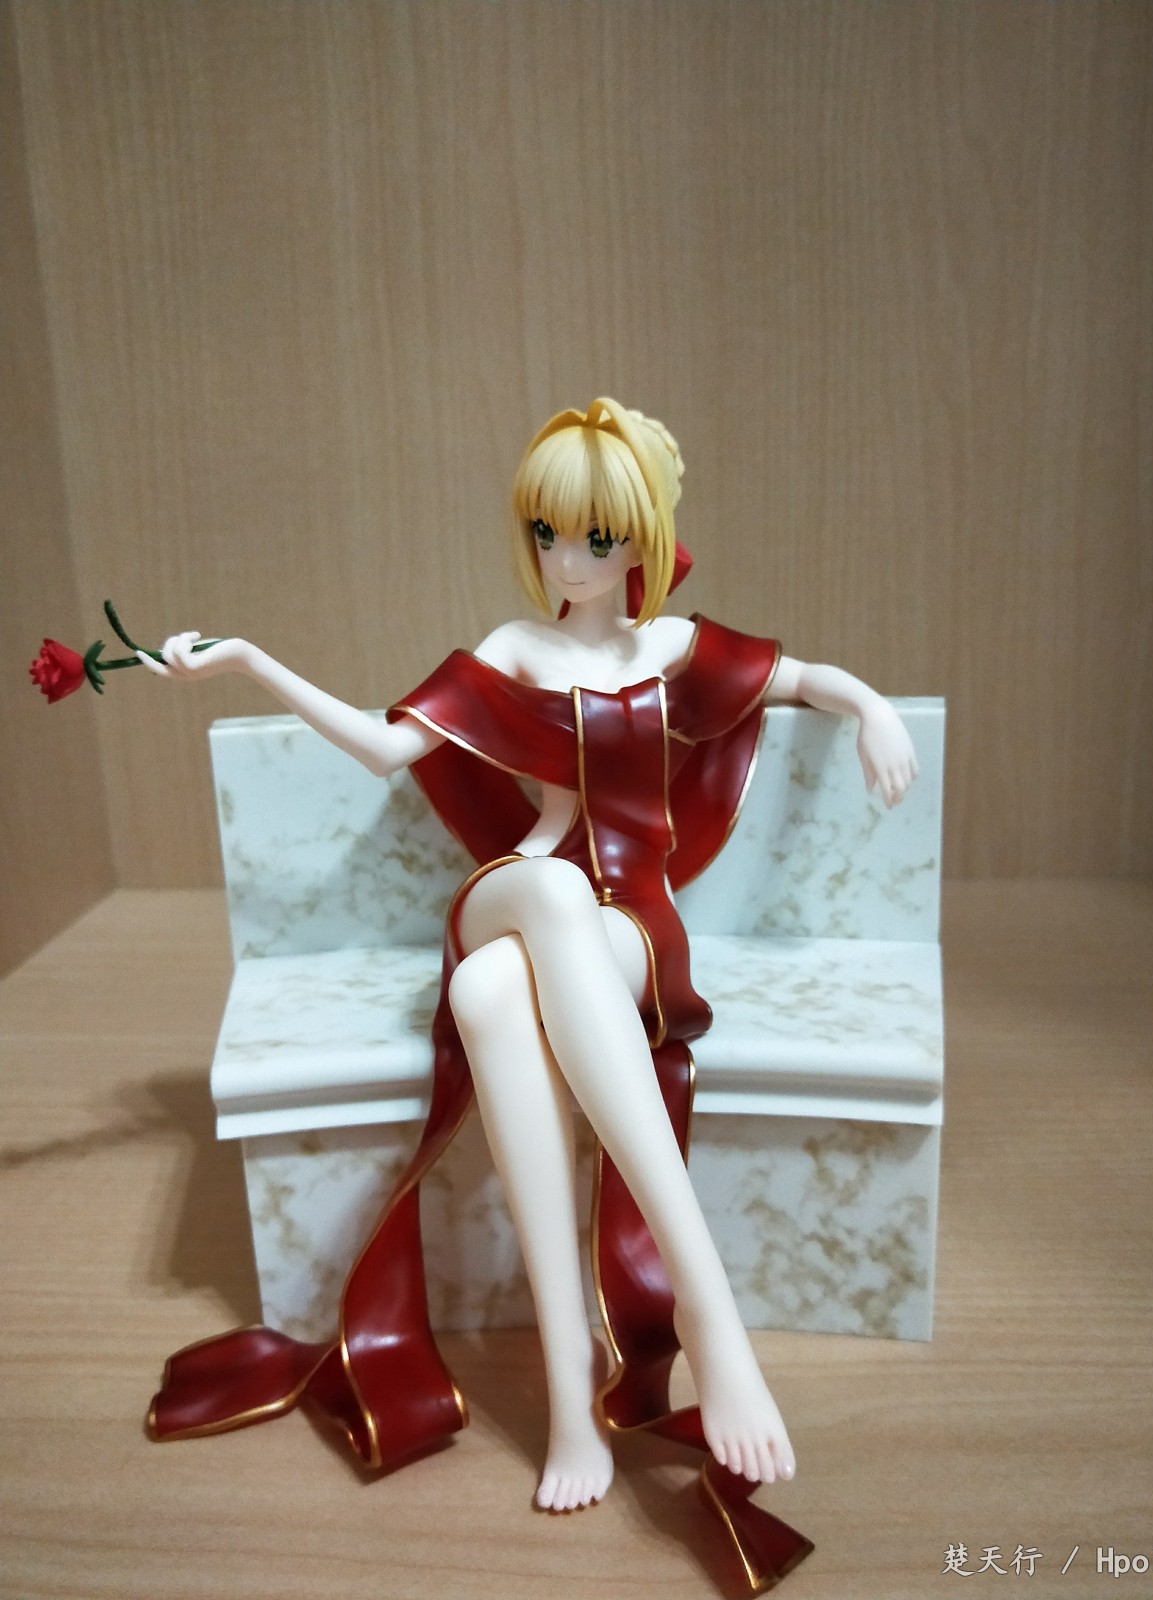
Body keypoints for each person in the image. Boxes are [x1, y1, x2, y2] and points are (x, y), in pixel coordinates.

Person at [142, 398, 916, 1584]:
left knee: (494, 1001)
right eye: (548, 532)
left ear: (642, 534)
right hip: (522, 890)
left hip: (628, 930)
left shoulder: (678, 651)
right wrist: (246, 658)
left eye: (595, 536)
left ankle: (569, 1392)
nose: (568, 559)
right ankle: (708, 1312)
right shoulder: (511, 646)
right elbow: (383, 745)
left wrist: (870, 707)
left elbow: (805, 677)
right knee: (544, 900)